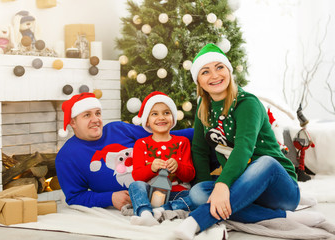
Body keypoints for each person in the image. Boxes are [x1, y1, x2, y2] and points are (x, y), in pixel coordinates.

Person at [162, 43, 325, 240]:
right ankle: (284, 217)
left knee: (265, 162)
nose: (214, 75)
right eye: (205, 71)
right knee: (197, 193)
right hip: (243, 189)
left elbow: (244, 148)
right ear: (198, 80)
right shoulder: (202, 109)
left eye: (219, 67)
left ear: (229, 71)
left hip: (278, 188)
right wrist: (210, 190)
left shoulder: (248, 103)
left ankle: (195, 220)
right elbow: (199, 150)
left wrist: (222, 185)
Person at [55, 92, 193, 211]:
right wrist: (110, 198)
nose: (96, 119)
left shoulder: (118, 128)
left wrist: (201, 133)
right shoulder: (67, 157)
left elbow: (163, 135)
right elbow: (75, 196)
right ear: (72, 122)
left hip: (167, 185)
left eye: (98, 113)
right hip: (140, 196)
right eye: (87, 115)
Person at [128, 91, 195, 226]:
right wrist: (151, 168)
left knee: (196, 198)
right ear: (147, 120)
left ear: (173, 118)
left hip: (176, 193)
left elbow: (190, 175)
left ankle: (161, 211)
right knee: (135, 186)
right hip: (150, 193)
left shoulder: (182, 142)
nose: (161, 117)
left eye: (166, 113)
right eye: (155, 114)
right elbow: (137, 176)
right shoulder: (141, 144)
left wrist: (178, 167)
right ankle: (145, 213)